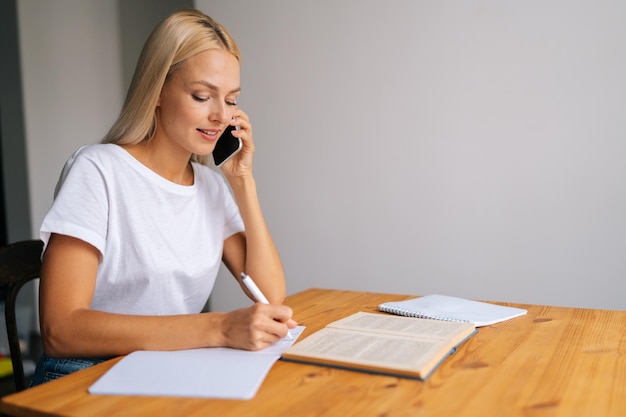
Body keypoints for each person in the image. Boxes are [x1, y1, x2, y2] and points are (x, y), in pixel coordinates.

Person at [30, 9, 296, 385]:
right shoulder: (99, 170)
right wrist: (218, 328)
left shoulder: (211, 186)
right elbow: (61, 329)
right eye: (202, 96)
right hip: (85, 374)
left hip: (165, 370)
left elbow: (270, 295)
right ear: (157, 91)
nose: (222, 116)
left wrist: (243, 182)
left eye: (232, 99)